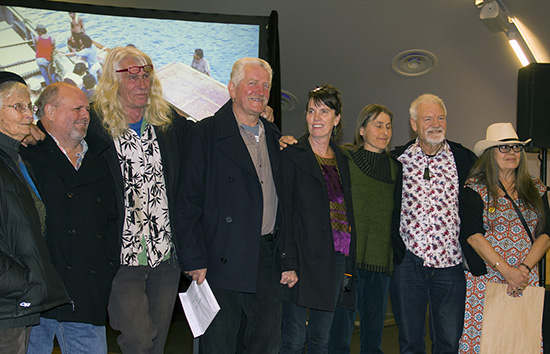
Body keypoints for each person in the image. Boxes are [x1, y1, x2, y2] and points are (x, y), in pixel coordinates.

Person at [88, 45, 194, 354]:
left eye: (146, 74)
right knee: (138, 337)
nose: (142, 82)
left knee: (156, 342)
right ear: (113, 79)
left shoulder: (167, 123)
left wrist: (263, 125)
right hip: (122, 256)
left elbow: (210, 138)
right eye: (132, 75)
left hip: (165, 255)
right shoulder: (95, 125)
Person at [176, 57, 282, 354]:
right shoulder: (205, 134)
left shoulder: (274, 137)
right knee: (219, 344)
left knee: (266, 343)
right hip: (220, 256)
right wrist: (193, 257)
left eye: (265, 85)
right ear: (232, 89)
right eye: (252, 83)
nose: (260, 91)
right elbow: (187, 201)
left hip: (265, 258)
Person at [22, 82, 119, 354]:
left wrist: (108, 262)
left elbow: (112, 217)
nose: (85, 114)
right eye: (76, 108)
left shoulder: (100, 156)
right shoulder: (23, 154)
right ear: (49, 111)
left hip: (87, 291)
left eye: (87, 108)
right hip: (37, 294)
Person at [390, 93, 477, 354]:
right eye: (428, 118)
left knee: (449, 344)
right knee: (409, 344)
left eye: (440, 117)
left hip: (450, 266)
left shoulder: (465, 159)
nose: (435, 123)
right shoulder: (397, 161)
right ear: (414, 124)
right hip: (408, 264)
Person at [458, 122, 550, 353]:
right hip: (487, 281)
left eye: (516, 148)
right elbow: (473, 236)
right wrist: (506, 270)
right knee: (485, 342)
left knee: (522, 341)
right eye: (504, 148)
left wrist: (523, 270)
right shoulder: (475, 189)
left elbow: (546, 234)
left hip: (524, 279)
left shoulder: (537, 189)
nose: (512, 153)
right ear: (490, 154)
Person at [279, 85, 356, 354]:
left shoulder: (343, 160)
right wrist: (288, 262)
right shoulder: (292, 154)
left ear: (336, 119)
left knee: (321, 341)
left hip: (334, 258)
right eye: (312, 111)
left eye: (324, 111)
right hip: (300, 258)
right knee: (292, 340)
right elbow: (286, 213)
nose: (317, 117)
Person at [0, 72, 68, 354]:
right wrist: (23, 283)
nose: (29, 115)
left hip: (16, 303)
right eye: (19, 107)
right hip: (8, 302)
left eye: (31, 107)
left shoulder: (15, 158)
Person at [328, 104, 397, 354]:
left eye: (388, 126)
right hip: (350, 263)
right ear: (361, 129)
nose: (384, 131)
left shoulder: (395, 168)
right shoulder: (344, 160)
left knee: (373, 335)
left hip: (380, 264)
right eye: (378, 125)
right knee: (340, 333)